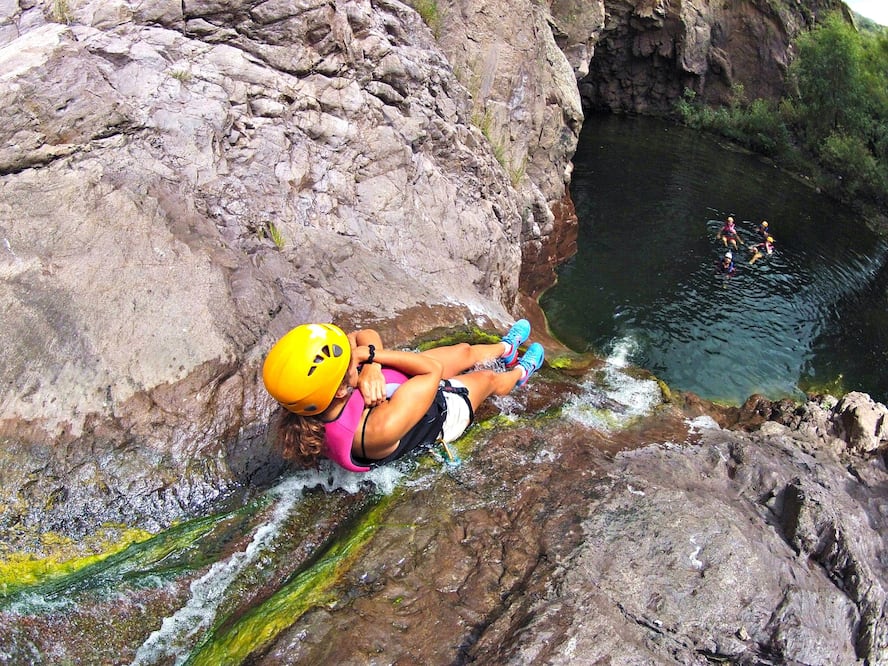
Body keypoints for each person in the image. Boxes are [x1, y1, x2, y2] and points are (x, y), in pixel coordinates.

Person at [262, 320, 544, 472]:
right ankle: (519, 374)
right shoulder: (375, 429)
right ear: (339, 390)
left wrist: (371, 367)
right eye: (350, 361)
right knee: (487, 379)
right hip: (438, 413)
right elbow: (431, 374)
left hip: (403, 385)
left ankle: (504, 351)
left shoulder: (321, 394)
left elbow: (362, 333)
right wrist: (371, 355)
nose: (352, 354)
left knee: (463, 351)